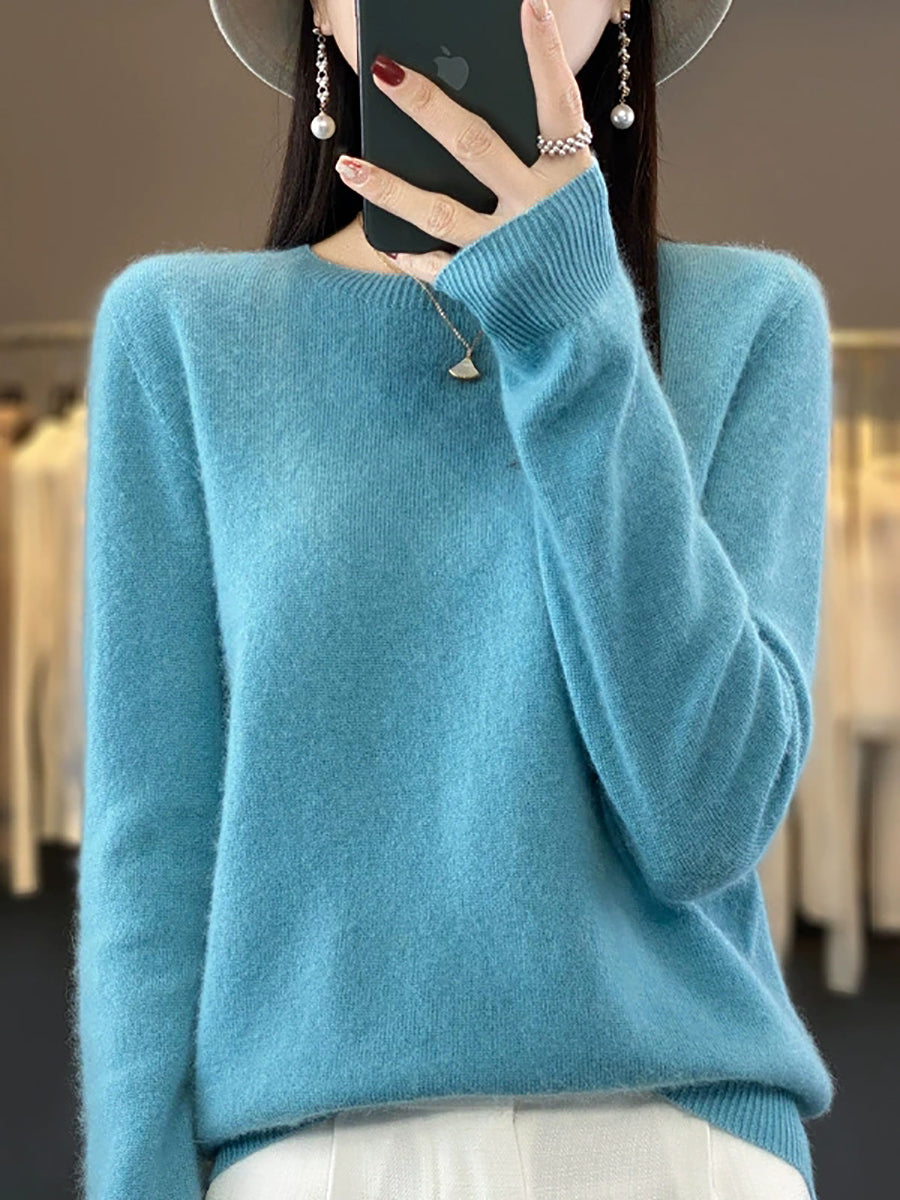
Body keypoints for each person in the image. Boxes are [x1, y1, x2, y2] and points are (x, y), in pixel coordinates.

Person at [72, 1, 838, 1198]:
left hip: (670, 1142)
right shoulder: (178, 334)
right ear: (322, 10)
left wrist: (570, 325)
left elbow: (704, 820)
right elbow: (148, 841)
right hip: (315, 1158)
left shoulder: (750, 321)